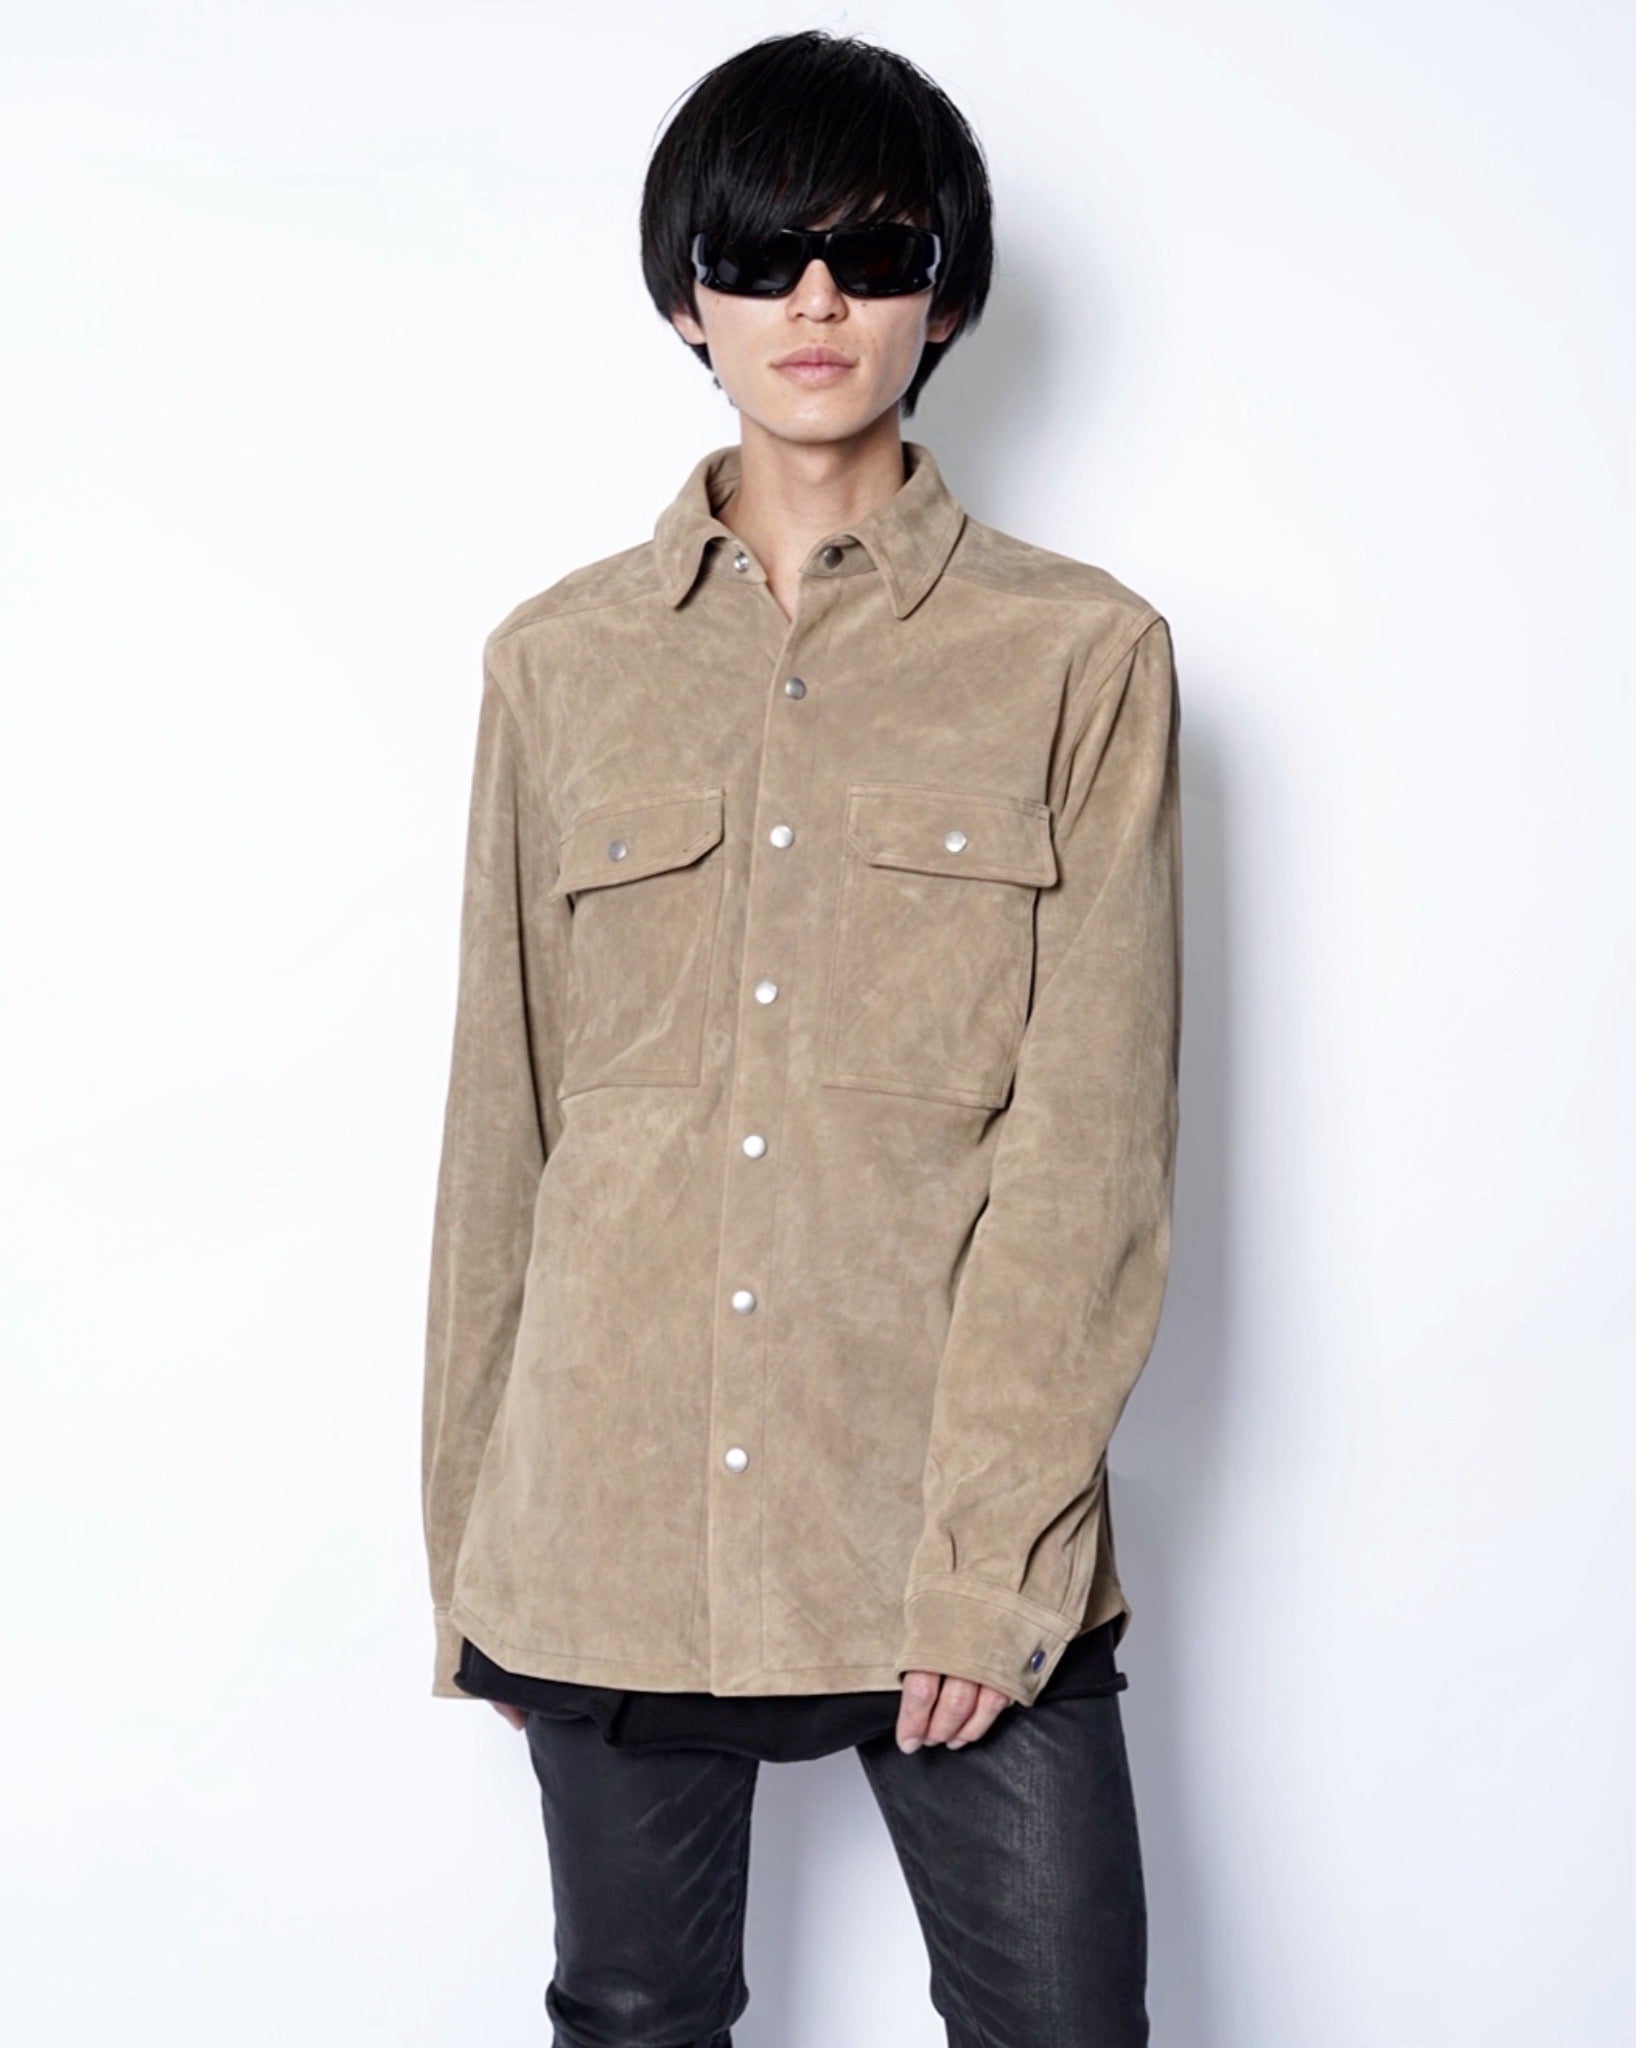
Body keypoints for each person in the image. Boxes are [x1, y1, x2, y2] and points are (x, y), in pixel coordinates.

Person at [421, 28, 1182, 2047]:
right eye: (764, 257)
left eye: (874, 252)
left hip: (940, 1517)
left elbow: (1090, 1146)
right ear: (692, 298)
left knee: (1064, 2023)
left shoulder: (1081, 658)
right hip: (604, 1517)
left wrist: (992, 1562)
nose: (818, 302)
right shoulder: (556, 663)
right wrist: (473, 1549)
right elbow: (502, 1122)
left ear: (948, 294)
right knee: (636, 2018)